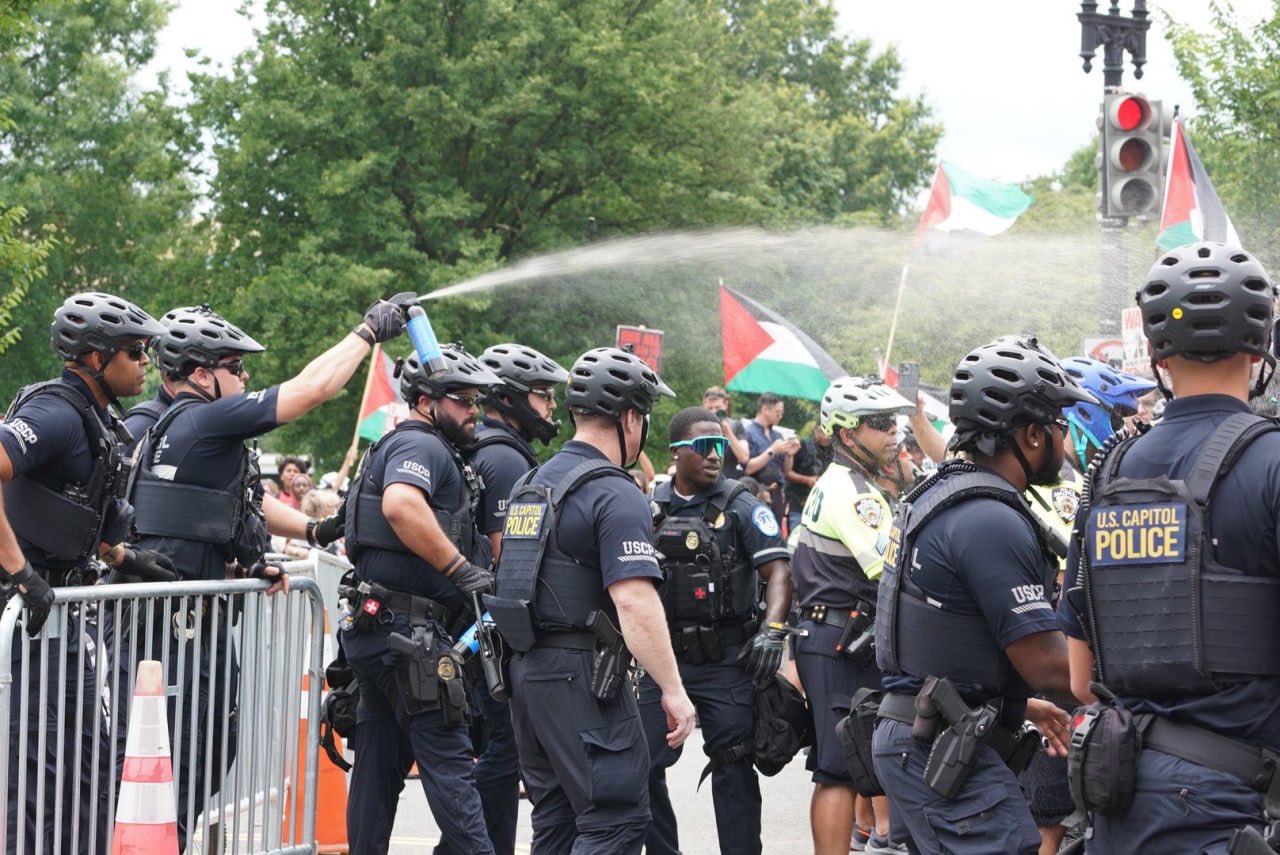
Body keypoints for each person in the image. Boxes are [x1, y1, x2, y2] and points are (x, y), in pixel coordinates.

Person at [130, 300, 392, 848]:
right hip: (176, 633)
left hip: (181, 624)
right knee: (177, 759)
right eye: (236, 367)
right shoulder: (203, 417)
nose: (246, 378)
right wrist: (367, 332)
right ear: (202, 374)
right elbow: (311, 389)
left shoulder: (168, 426)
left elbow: (209, 513)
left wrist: (280, 546)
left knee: (199, 754)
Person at [1060, 243, 1280, 852]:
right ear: (1261, 345)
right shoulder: (1272, 462)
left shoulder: (1109, 475)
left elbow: (1082, 679)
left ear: (1157, 354)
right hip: (1240, 808)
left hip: (1123, 798)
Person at [871, 336, 1086, 854]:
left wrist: (1020, 704)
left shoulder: (943, 490)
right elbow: (1049, 664)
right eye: (1060, 425)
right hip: (938, 745)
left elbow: (951, 632)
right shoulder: (990, 518)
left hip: (922, 729)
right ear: (1032, 434)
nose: (1065, 437)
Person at [486, 346, 696, 854]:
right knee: (617, 818)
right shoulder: (616, 492)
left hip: (527, 675)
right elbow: (634, 600)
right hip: (583, 676)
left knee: (556, 821)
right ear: (630, 417)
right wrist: (673, 689)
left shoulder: (530, 483)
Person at [0, 292, 170, 853]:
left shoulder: (95, 417)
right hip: (25, 616)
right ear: (97, 358)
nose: (146, 361)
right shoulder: (54, 412)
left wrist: (122, 557)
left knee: (89, 763)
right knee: (33, 768)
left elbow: (60, 507)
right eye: (135, 351)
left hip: (60, 614)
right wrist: (21, 572)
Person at [340, 344, 500, 855]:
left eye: (478, 401)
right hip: (412, 639)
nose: (474, 411)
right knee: (451, 768)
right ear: (428, 402)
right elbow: (401, 504)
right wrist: (462, 570)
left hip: (380, 632)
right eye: (463, 401)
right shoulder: (424, 448)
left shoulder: (392, 445)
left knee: (377, 770)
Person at [638, 406, 793, 855]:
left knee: (733, 764)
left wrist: (773, 630)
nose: (715, 455)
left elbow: (779, 573)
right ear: (677, 453)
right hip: (665, 659)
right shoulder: (651, 507)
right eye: (705, 446)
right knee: (640, 763)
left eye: (721, 445)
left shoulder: (742, 504)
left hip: (727, 660)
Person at [438, 342, 568, 855]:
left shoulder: (479, 446)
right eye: (542, 395)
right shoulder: (506, 459)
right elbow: (509, 556)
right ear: (510, 398)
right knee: (505, 750)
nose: (552, 406)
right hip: (491, 629)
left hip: (465, 625)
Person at [790, 376, 915, 855]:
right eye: (880, 424)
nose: (893, 432)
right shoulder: (854, 493)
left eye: (895, 422)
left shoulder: (848, 482)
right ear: (846, 434)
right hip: (840, 637)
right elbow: (891, 571)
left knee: (844, 765)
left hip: (834, 633)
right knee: (840, 770)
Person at [744, 392, 799, 520]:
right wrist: (772, 450)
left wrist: (790, 455)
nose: (780, 416)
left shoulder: (778, 436)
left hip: (777, 493)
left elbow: (786, 471)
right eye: (777, 412)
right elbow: (748, 467)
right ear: (764, 409)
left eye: (782, 413)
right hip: (757, 491)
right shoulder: (748, 432)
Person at [783, 423, 832, 535]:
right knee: (795, 538)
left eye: (829, 434)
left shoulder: (833, 451)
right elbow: (787, 473)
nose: (826, 436)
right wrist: (807, 480)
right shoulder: (802, 445)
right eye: (822, 432)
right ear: (815, 430)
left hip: (822, 508)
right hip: (799, 501)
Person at [703, 386, 750, 480]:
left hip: (728, 479)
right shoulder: (699, 426)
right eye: (710, 408)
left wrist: (728, 433)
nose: (713, 412)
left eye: (717, 408)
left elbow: (744, 458)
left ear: (725, 405)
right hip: (705, 478)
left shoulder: (735, 426)